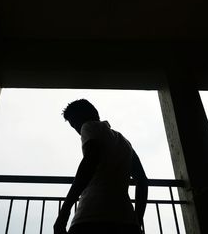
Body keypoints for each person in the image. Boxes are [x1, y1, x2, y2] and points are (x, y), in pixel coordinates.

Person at [54, 99, 148, 234]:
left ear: (81, 118)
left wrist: (64, 211)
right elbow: (142, 180)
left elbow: (89, 163)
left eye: (74, 124)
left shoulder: (89, 127)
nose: (77, 130)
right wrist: (137, 219)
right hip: (126, 219)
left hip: (92, 215)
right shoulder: (124, 142)